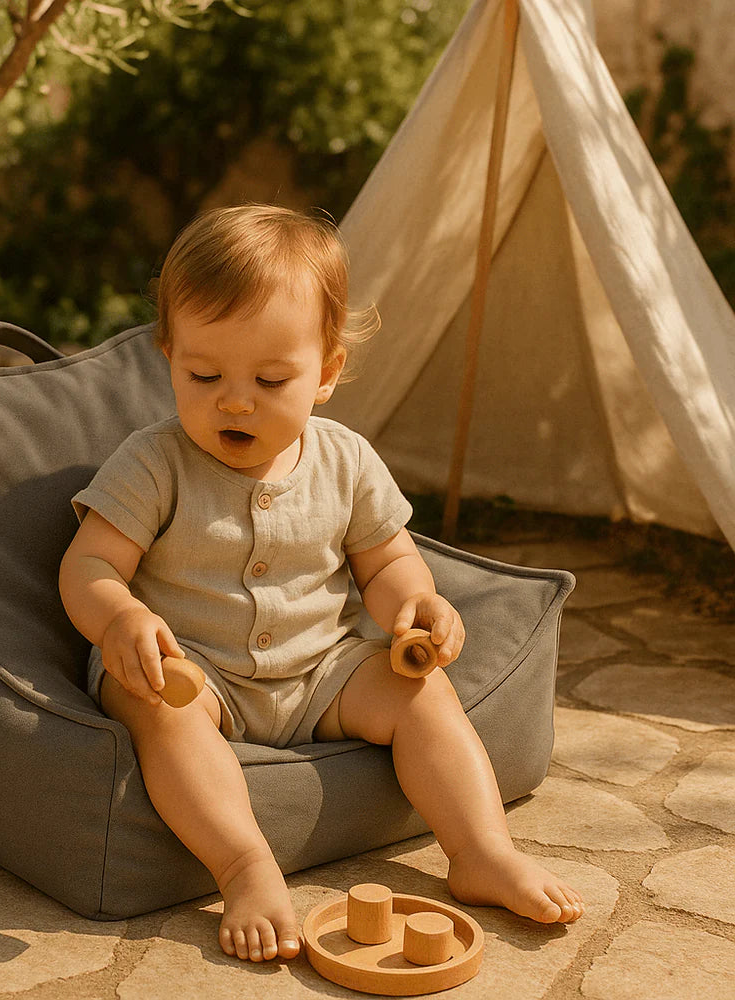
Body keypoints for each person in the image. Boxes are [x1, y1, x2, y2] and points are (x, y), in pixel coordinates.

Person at [59, 204, 584, 964]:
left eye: (271, 379)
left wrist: (415, 607)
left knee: (423, 693)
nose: (233, 399)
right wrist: (117, 620)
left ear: (328, 373)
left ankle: (481, 853)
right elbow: (89, 564)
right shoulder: (155, 462)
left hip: (320, 672)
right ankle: (244, 866)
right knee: (153, 705)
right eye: (202, 374)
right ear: (169, 356)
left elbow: (388, 563)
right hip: (195, 674)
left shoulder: (346, 461)